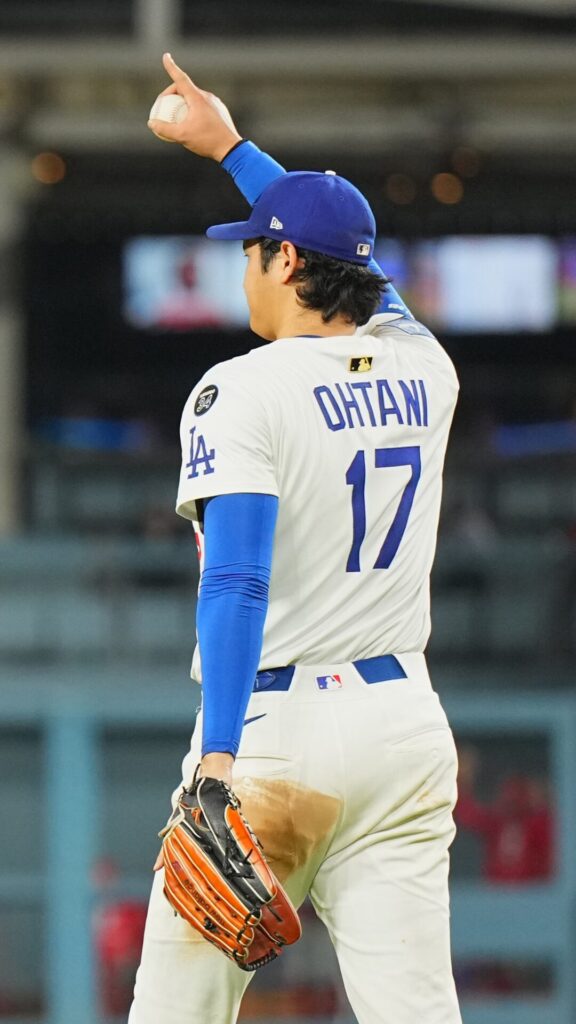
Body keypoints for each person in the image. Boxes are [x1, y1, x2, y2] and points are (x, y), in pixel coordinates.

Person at [129, 54, 461, 1024]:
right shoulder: (424, 364)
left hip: (276, 735)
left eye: (252, 249)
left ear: (282, 263)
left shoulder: (245, 387)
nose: (244, 265)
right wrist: (232, 149)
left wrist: (219, 761)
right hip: (402, 728)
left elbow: (236, 580)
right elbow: (363, 272)